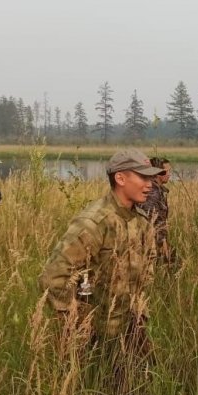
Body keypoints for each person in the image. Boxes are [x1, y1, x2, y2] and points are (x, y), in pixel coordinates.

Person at [39, 148, 163, 350]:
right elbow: (54, 276)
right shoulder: (94, 222)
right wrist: (79, 322)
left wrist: (139, 310)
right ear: (120, 179)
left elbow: (147, 267)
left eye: (151, 178)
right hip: (97, 335)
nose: (150, 185)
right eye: (142, 177)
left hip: (131, 328)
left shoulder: (140, 222)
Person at [137, 156, 176, 264]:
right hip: (152, 244)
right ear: (158, 173)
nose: (169, 174)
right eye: (167, 171)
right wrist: (162, 243)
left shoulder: (158, 191)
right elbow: (151, 222)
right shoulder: (152, 193)